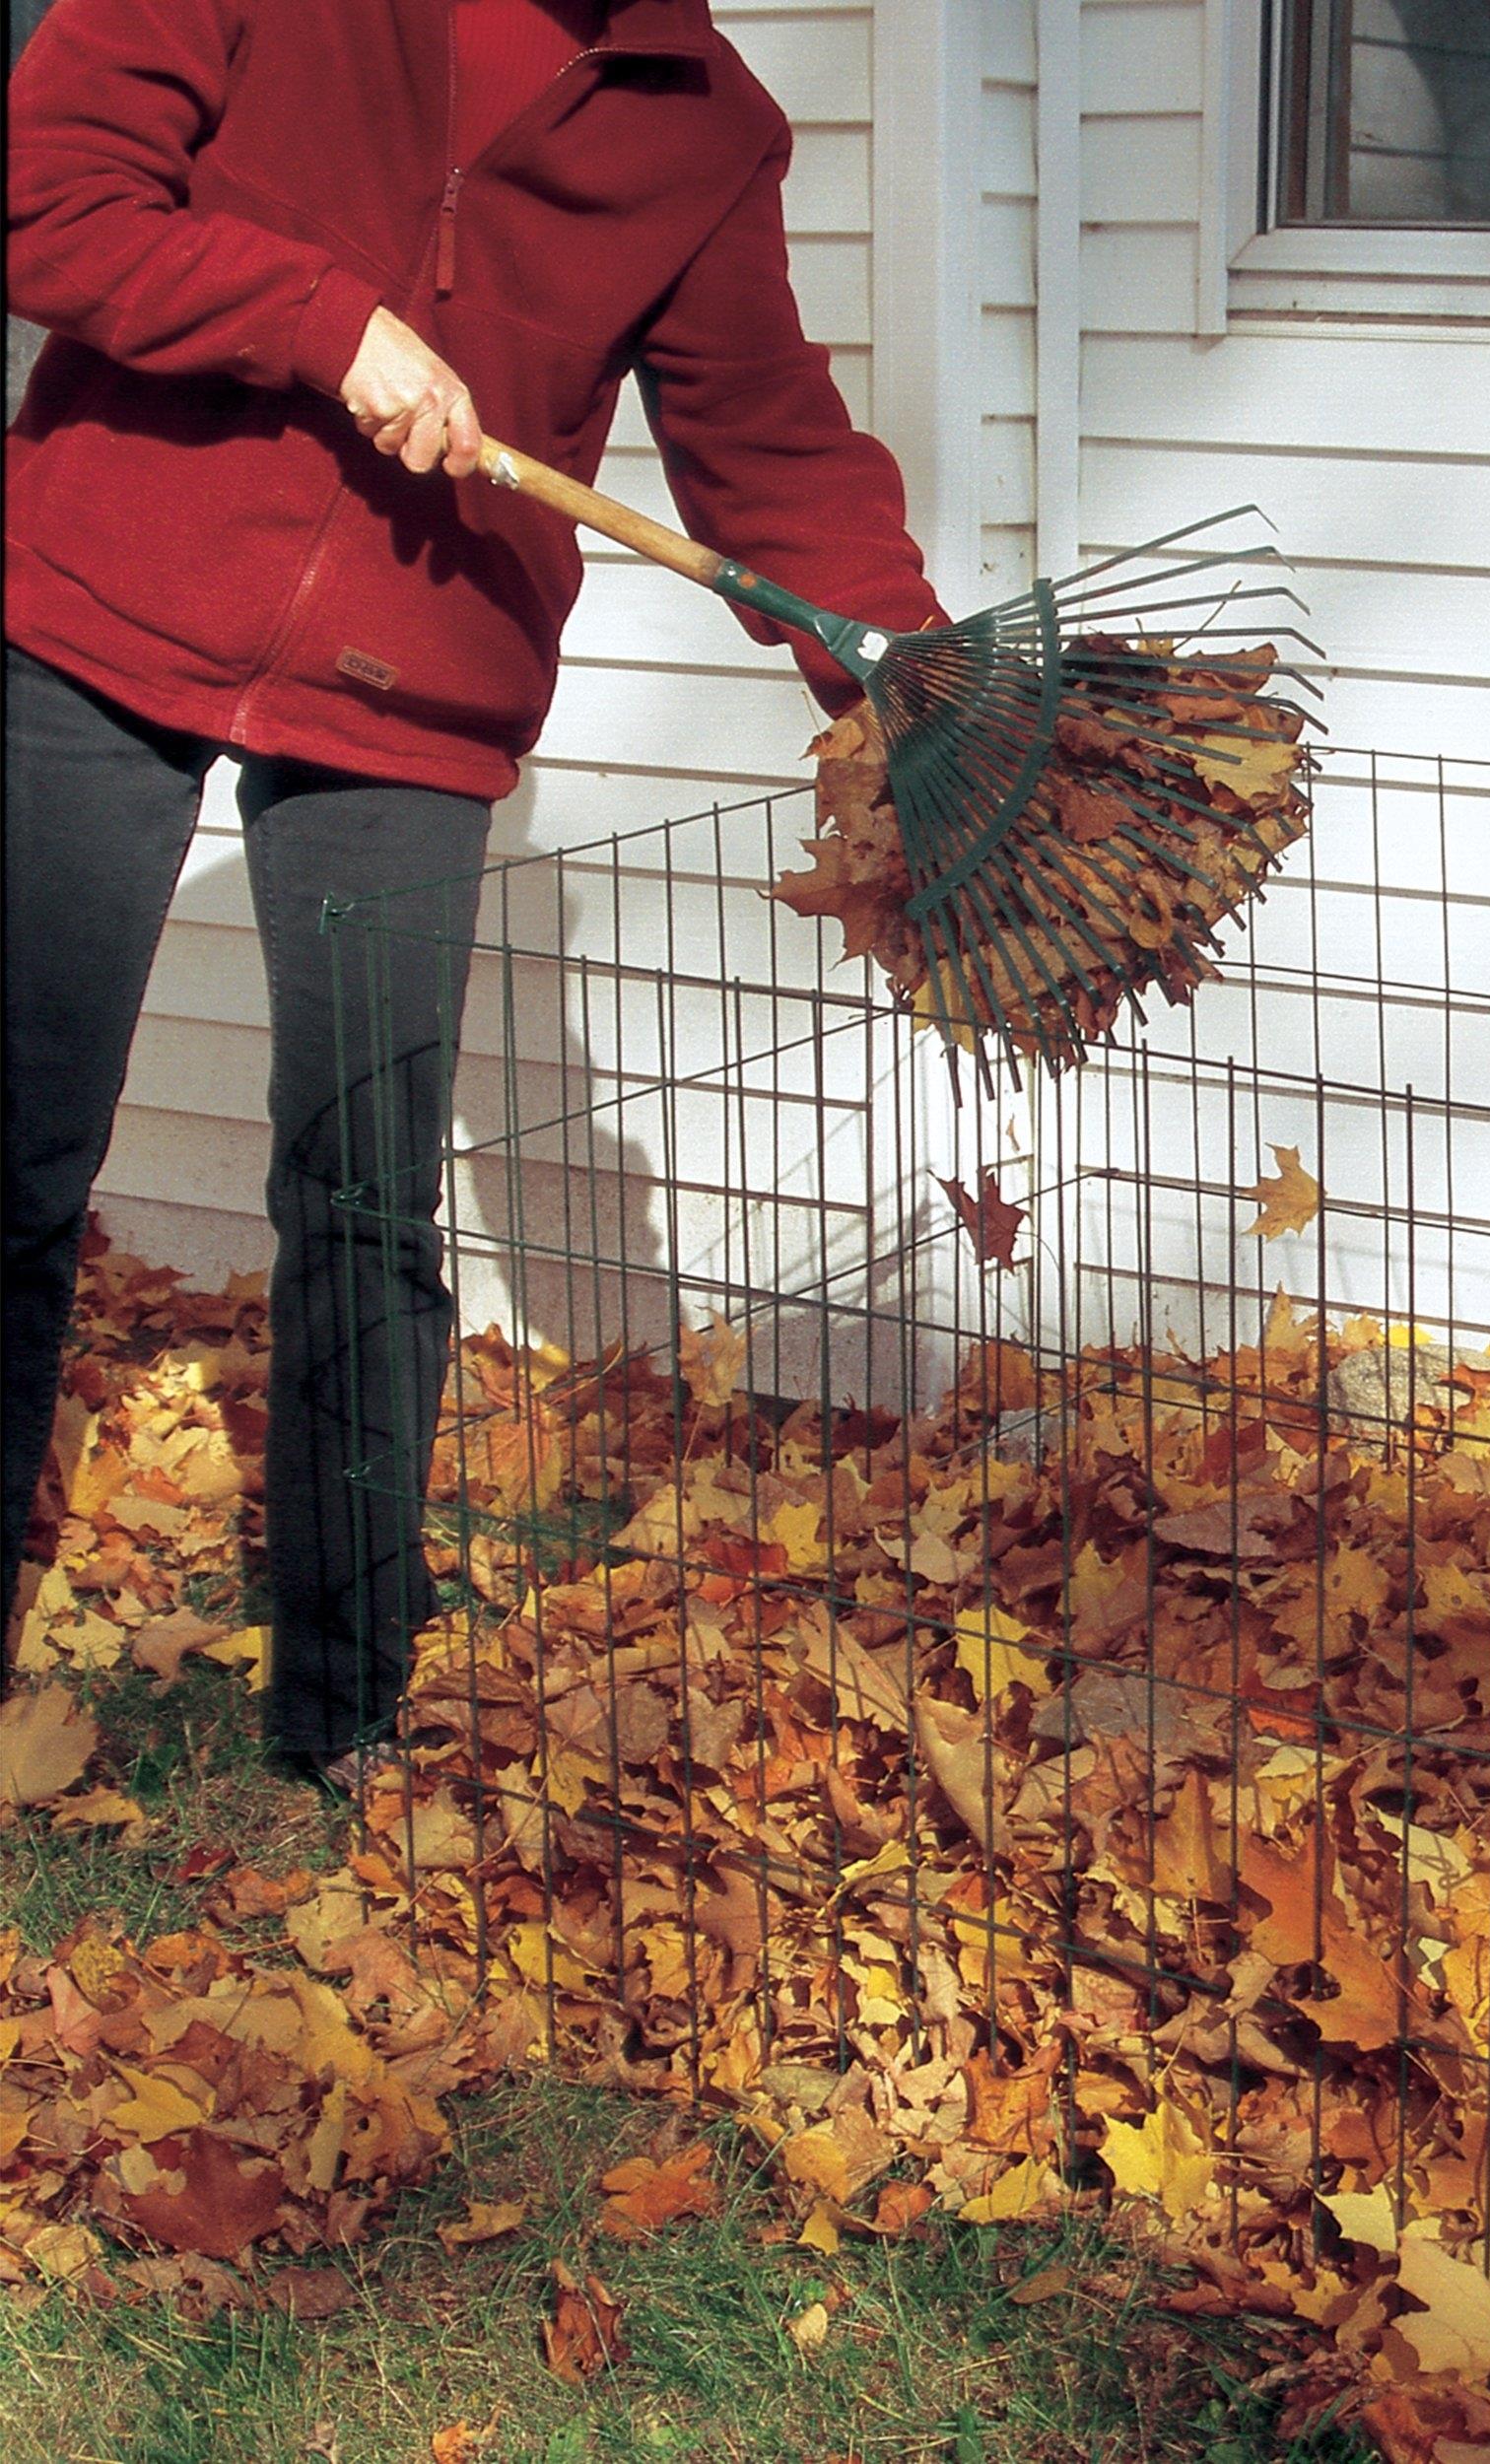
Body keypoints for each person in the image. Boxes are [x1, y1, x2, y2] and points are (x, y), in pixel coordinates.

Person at [4, 0, 945, 1777]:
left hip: (412, 684)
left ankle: (345, 1708)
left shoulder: (699, 117)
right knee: (19, 1153)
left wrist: (912, 682)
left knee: (364, 1194)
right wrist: (316, 319)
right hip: (95, 615)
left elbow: (770, 444)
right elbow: (47, 193)